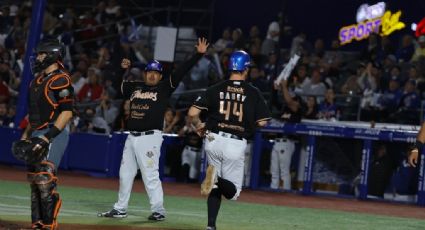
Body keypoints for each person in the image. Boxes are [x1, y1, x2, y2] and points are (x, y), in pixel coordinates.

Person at [98, 38, 209, 220]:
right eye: (149, 72)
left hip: (150, 137)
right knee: (125, 174)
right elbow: (117, 85)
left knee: (150, 175)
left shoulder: (165, 88)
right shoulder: (135, 87)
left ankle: (158, 210)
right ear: (144, 74)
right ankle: (120, 208)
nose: (152, 75)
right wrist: (121, 68)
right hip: (131, 137)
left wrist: (198, 54)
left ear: (160, 76)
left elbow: (181, 71)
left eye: (155, 73)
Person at [188, 50, 271, 230]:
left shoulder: (215, 88)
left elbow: (192, 113)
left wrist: (199, 126)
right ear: (245, 69)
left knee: (216, 189)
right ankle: (215, 178)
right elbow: (263, 122)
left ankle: (211, 225)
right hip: (235, 142)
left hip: (213, 139)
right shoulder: (253, 92)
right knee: (233, 193)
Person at [20, 39, 74, 230]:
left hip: (54, 132)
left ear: (52, 55)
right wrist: (26, 134)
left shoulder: (61, 79)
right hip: (36, 131)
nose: (38, 57)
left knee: (45, 177)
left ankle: (49, 224)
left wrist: (46, 137)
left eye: (42, 54)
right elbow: (32, 114)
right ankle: (37, 223)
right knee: (34, 180)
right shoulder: (36, 80)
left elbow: (67, 113)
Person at [269, 78, 303, 190]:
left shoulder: (297, 109)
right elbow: (273, 101)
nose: (290, 99)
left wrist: (284, 86)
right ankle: (273, 192)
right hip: (277, 141)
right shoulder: (284, 109)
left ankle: (286, 194)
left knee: (284, 171)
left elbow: (290, 101)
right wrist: (274, 89)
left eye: (293, 98)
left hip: (287, 142)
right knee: (274, 170)